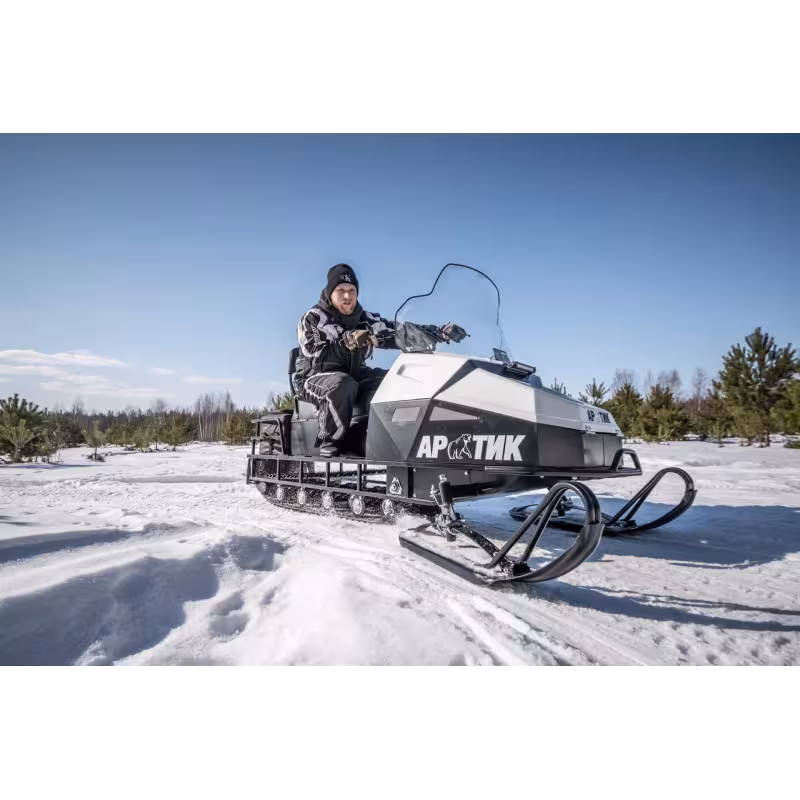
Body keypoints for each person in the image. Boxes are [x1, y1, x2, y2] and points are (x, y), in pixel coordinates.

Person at [296, 263, 464, 457]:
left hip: (354, 374)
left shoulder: (364, 318)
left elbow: (398, 331)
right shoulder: (313, 318)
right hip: (313, 377)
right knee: (343, 384)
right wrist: (348, 342)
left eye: (352, 290)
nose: (347, 296)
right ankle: (331, 439)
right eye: (340, 290)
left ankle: (396, 439)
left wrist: (438, 333)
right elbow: (317, 359)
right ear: (330, 292)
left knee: (396, 378)